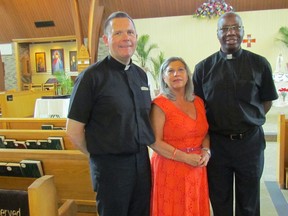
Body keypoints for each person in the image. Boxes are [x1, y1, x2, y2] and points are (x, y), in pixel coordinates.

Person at [66, 11, 155, 216]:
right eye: (118, 33)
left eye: (130, 32)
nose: (126, 38)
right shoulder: (91, 78)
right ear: (106, 39)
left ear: (136, 37)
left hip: (141, 164)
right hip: (110, 168)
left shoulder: (140, 75)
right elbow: (73, 130)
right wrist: (97, 155)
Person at [193, 12, 278, 216]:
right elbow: (198, 106)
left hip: (250, 143)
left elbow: (266, 101)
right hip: (218, 144)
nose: (230, 32)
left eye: (235, 28)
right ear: (217, 34)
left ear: (242, 31)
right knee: (220, 199)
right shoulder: (203, 68)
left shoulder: (260, 64)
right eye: (225, 29)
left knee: (248, 202)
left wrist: (247, 119)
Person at [150, 57, 211, 216]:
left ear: (188, 75)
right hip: (170, 167)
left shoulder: (198, 101)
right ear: (164, 77)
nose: (176, 74)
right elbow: (155, 142)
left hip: (196, 167)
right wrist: (185, 157)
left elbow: (204, 132)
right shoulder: (159, 104)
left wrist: (206, 151)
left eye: (180, 70)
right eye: (170, 71)